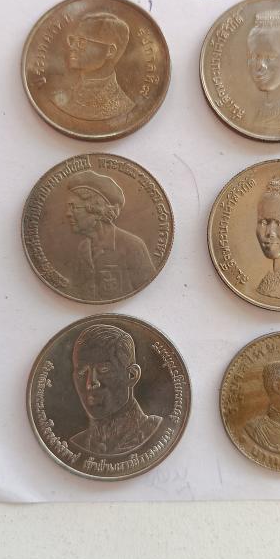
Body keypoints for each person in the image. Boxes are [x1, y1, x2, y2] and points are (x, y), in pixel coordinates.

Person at [70, 323, 162, 456]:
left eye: (104, 369)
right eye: (82, 372)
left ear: (132, 375)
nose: (90, 383)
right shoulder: (77, 443)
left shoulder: (155, 431)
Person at [66, 169, 155, 301]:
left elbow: (150, 294)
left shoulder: (133, 246)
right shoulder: (83, 248)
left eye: (74, 207)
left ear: (96, 210)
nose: (68, 213)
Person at [50, 12, 135, 120]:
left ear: (110, 51)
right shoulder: (63, 97)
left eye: (82, 42)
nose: (72, 47)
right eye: (73, 40)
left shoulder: (121, 107)